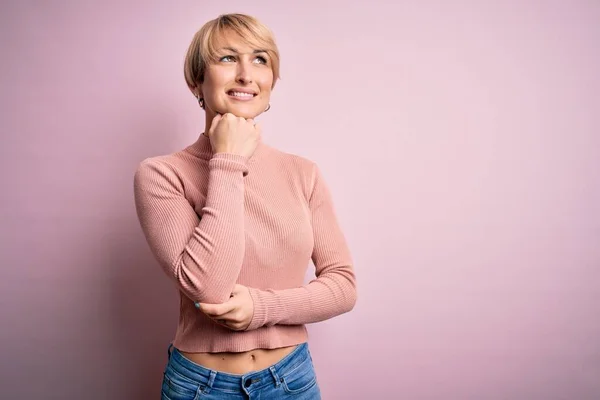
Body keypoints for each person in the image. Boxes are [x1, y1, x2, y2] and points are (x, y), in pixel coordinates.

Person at [133, 13, 357, 399]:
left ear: (272, 80)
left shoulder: (303, 172)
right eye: (226, 59)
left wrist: (261, 307)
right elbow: (210, 288)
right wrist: (227, 160)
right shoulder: (161, 174)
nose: (245, 75)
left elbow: (343, 285)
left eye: (260, 59)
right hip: (201, 388)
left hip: (292, 380)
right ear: (195, 81)